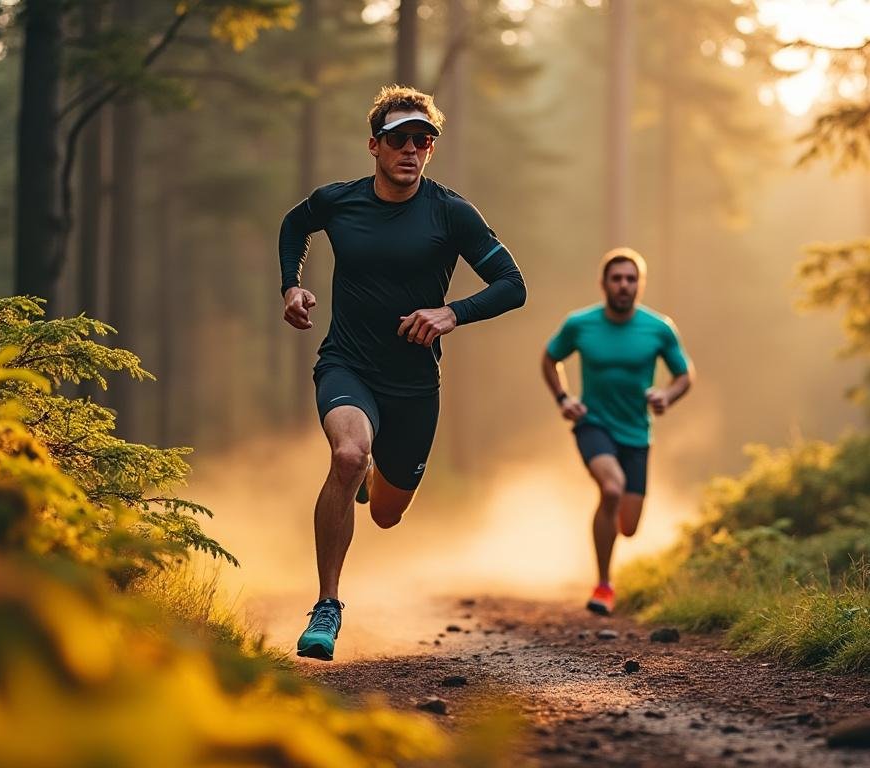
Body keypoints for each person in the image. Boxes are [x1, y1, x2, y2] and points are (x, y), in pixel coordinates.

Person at [278, 85, 527, 660]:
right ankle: (327, 606)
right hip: (348, 363)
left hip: (414, 384)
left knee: (387, 515)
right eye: (399, 139)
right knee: (347, 455)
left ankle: (370, 479)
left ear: (430, 149)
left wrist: (451, 312)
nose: (411, 149)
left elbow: (513, 286)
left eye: (422, 139)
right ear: (375, 144)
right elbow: (294, 226)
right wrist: (291, 283)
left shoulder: (451, 212)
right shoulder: (339, 201)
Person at [541, 248, 691, 615]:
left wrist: (666, 396)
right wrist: (563, 398)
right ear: (604, 283)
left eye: (631, 279)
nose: (624, 285)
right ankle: (604, 585)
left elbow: (685, 375)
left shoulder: (659, 328)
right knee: (611, 488)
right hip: (593, 423)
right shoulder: (580, 324)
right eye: (617, 278)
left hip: (636, 434)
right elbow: (550, 358)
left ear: (639, 285)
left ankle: (609, 563)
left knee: (628, 526)